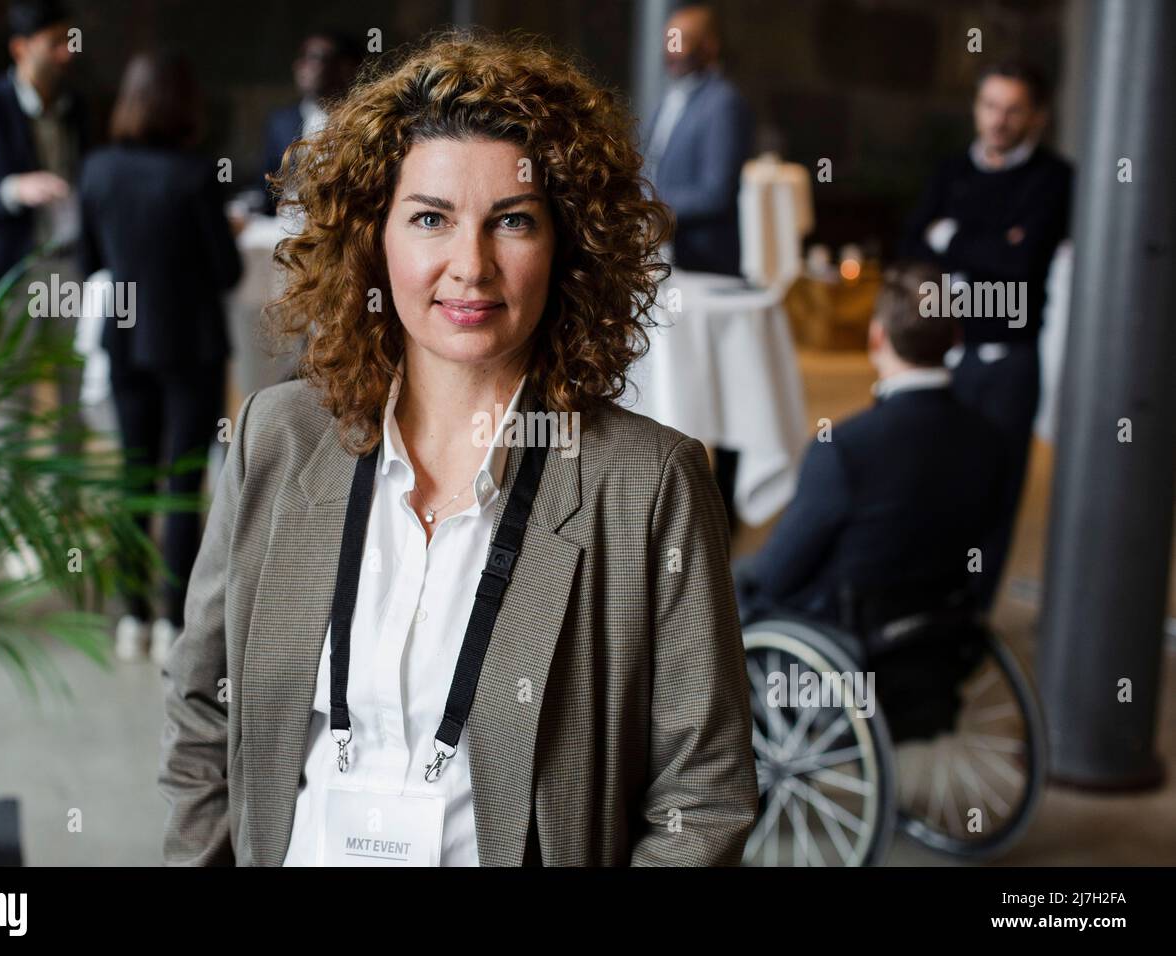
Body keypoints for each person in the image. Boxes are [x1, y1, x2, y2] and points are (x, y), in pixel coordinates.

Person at [159, 30, 757, 867]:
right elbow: (201, 710)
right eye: (430, 218)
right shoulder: (277, 438)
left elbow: (707, 794)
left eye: (511, 221)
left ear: (568, 244)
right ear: (375, 237)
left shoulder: (647, 483)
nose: (469, 266)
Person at [78, 51, 242, 665]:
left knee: (133, 476)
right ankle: (175, 620)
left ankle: (131, 619)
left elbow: (89, 260)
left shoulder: (97, 169)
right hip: (190, 342)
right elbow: (224, 272)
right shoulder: (197, 174)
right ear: (184, 105)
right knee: (183, 479)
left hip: (124, 339)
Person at [736, 262, 1007, 626]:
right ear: (956, 337)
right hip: (940, 632)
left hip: (848, 641)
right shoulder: (989, 438)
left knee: (740, 580)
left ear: (876, 337)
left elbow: (777, 577)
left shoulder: (842, 449)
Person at [900, 60, 1073, 609]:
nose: (999, 120)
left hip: (1008, 360)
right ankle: (923, 607)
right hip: (940, 355)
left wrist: (950, 236)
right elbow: (911, 249)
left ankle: (970, 620)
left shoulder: (1054, 179)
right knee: (930, 485)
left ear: (1038, 116)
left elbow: (1020, 266)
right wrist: (988, 245)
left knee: (993, 496)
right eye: (990, 106)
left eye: (1014, 109)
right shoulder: (951, 171)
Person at [0, 0, 87, 287]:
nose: (68, 52)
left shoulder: (77, 107)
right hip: (11, 270)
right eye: (55, 42)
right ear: (20, 48)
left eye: (71, 40)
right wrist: (14, 189)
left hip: (70, 264)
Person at [642, 3, 753, 278]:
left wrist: (653, 207)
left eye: (681, 40)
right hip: (662, 253)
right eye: (669, 40)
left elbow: (716, 192)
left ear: (709, 46)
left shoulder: (722, 103)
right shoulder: (667, 99)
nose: (671, 50)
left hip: (702, 260)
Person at [258, 32, 363, 213]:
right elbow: (265, 189)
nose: (301, 65)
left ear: (345, 67)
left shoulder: (364, 122)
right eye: (301, 57)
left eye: (314, 57)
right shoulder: (280, 122)